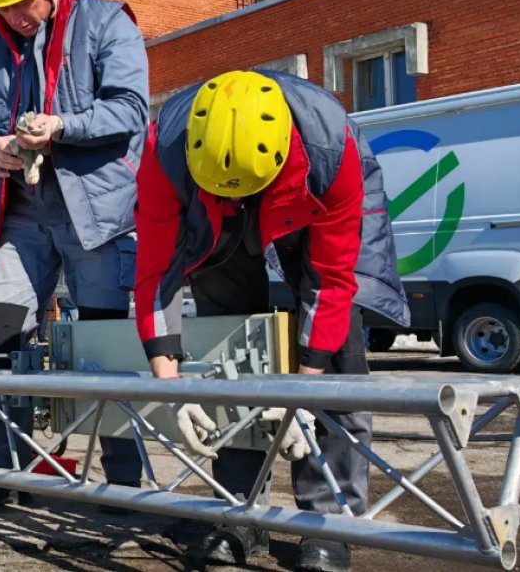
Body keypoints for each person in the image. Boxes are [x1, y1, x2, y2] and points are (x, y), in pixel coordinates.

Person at [134, 69, 409, 572]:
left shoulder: (333, 148)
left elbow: (330, 279)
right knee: (229, 350)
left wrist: (303, 398)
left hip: (309, 191)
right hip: (208, 203)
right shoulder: (164, 150)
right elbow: (155, 269)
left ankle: (330, 521)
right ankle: (239, 511)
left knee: (338, 347)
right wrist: (170, 388)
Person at [0, 0, 148, 512]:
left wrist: (61, 126)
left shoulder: (108, 22)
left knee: (105, 347)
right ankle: (2, 470)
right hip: (25, 216)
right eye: (2, 8)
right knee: (2, 334)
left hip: (99, 216)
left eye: (23, 1)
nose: (16, 16)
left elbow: (132, 107)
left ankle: (122, 485)